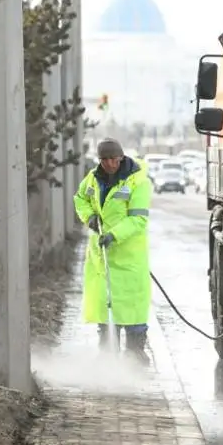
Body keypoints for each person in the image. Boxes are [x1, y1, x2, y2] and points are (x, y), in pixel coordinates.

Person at [73, 138, 153, 364]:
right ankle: (108, 353)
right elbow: (80, 199)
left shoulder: (138, 182)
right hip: (102, 255)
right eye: (104, 159)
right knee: (105, 303)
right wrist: (89, 216)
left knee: (132, 306)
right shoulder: (93, 178)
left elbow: (138, 219)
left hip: (128, 256)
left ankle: (136, 353)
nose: (109, 164)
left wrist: (114, 235)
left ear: (121, 157)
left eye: (113, 159)